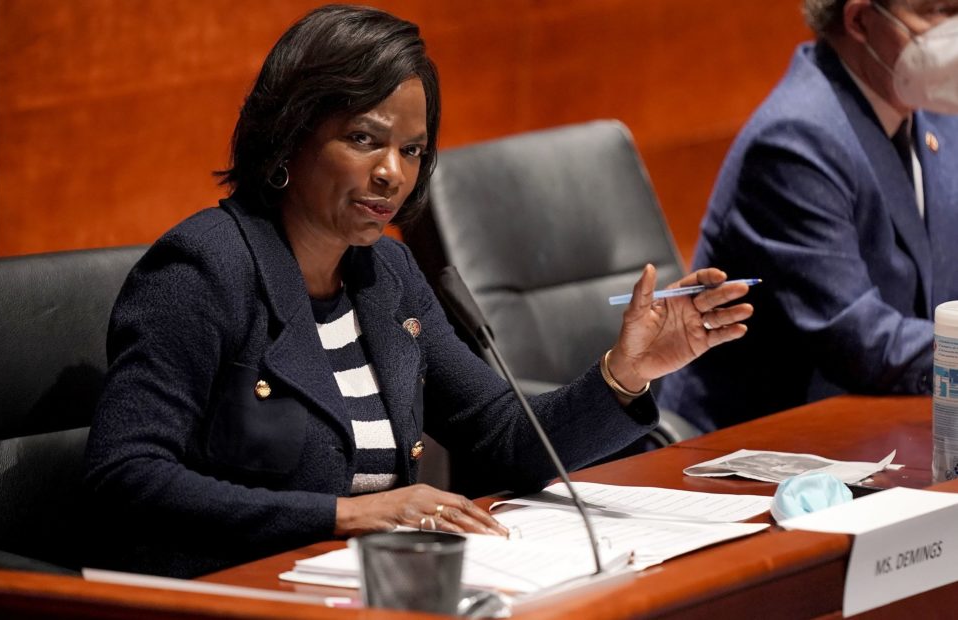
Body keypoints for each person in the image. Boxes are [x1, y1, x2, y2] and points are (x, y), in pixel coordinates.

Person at [85, 4, 752, 578]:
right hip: (231, 592)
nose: (391, 175)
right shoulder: (203, 271)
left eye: (412, 151)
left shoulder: (385, 277)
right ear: (288, 137)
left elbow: (501, 438)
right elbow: (125, 476)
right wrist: (343, 514)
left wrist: (625, 372)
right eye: (363, 140)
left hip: (368, 590)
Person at [659, 0, 958, 432]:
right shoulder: (795, 140)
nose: (952, 32)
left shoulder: (933, 113)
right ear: (859, 19)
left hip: (884, 427)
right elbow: (861, 340)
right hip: (756, 453)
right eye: (936, 12)